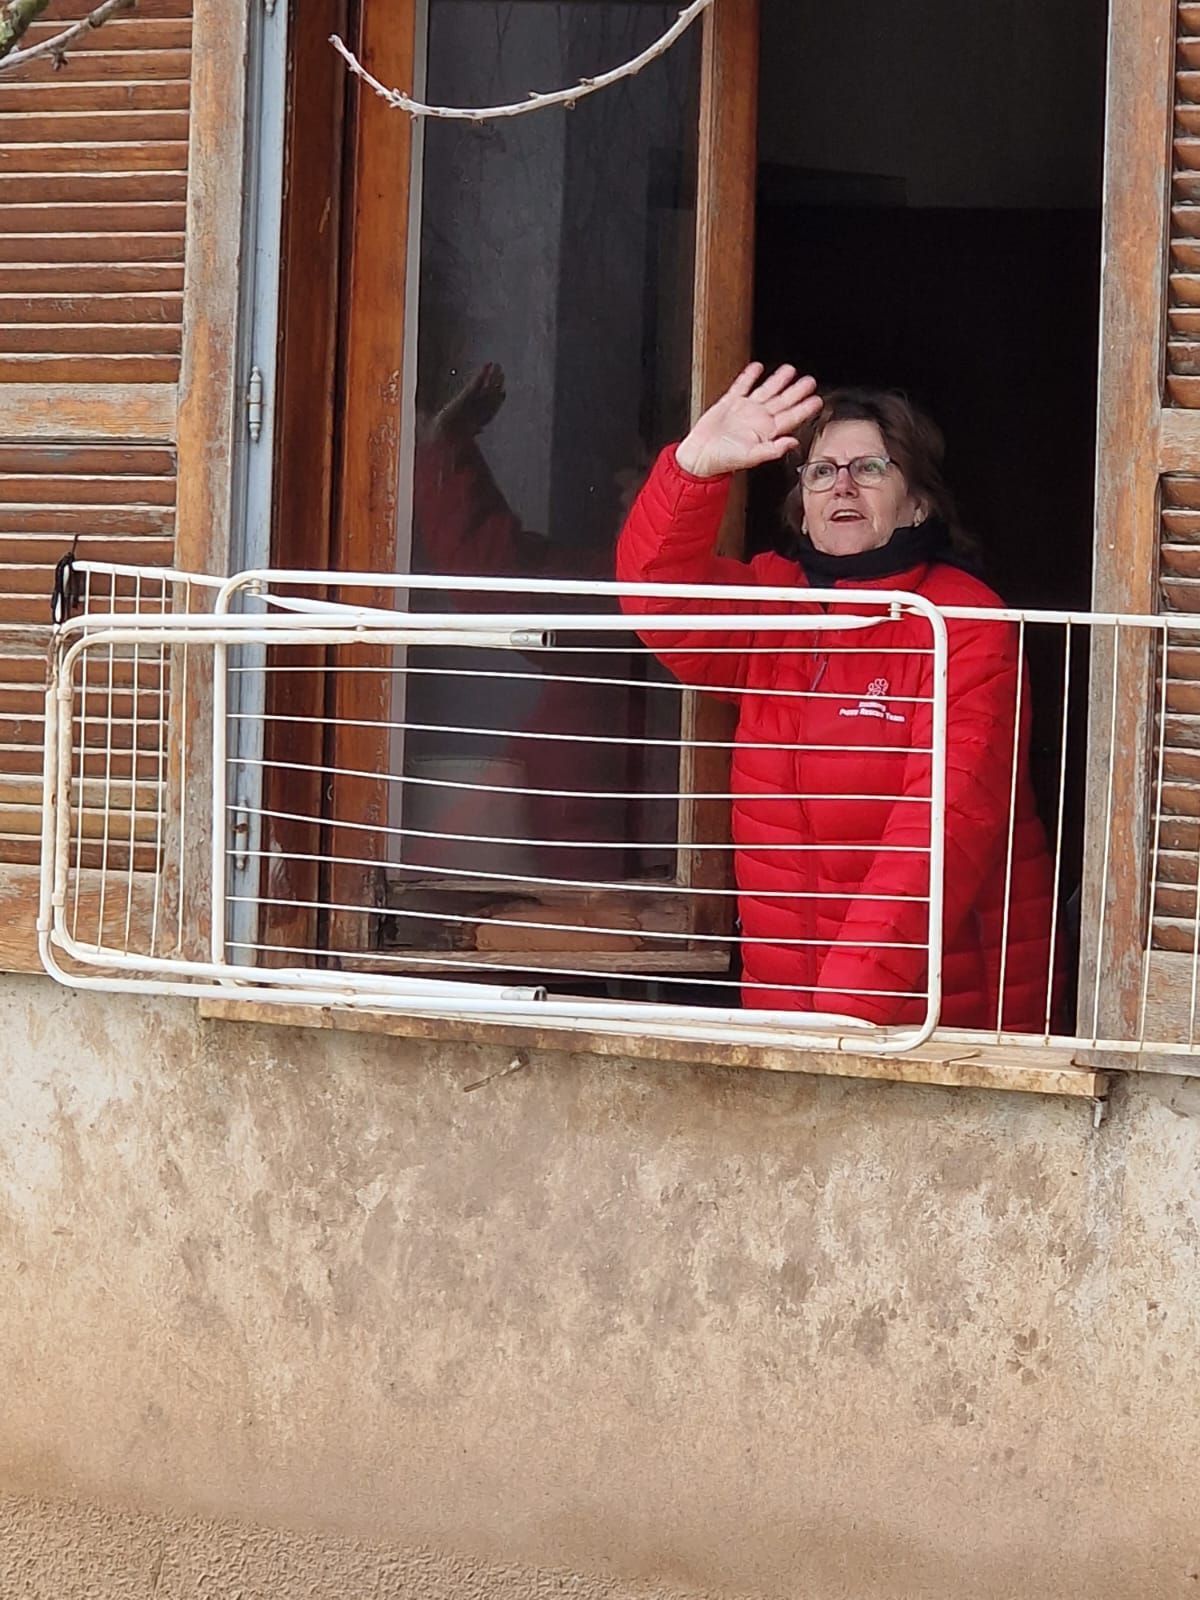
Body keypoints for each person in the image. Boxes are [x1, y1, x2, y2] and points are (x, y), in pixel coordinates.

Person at [616, 362, 1056, 1030]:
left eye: (870, 468)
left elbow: (939, 834)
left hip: (932, 1019)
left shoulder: (964, 622)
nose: (842, 484)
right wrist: (693, 470)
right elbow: (658, 597)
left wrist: (845, 1019)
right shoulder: (775, 604)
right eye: (821, 472)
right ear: (803, 508)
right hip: (796, 1016)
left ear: (919, 503)